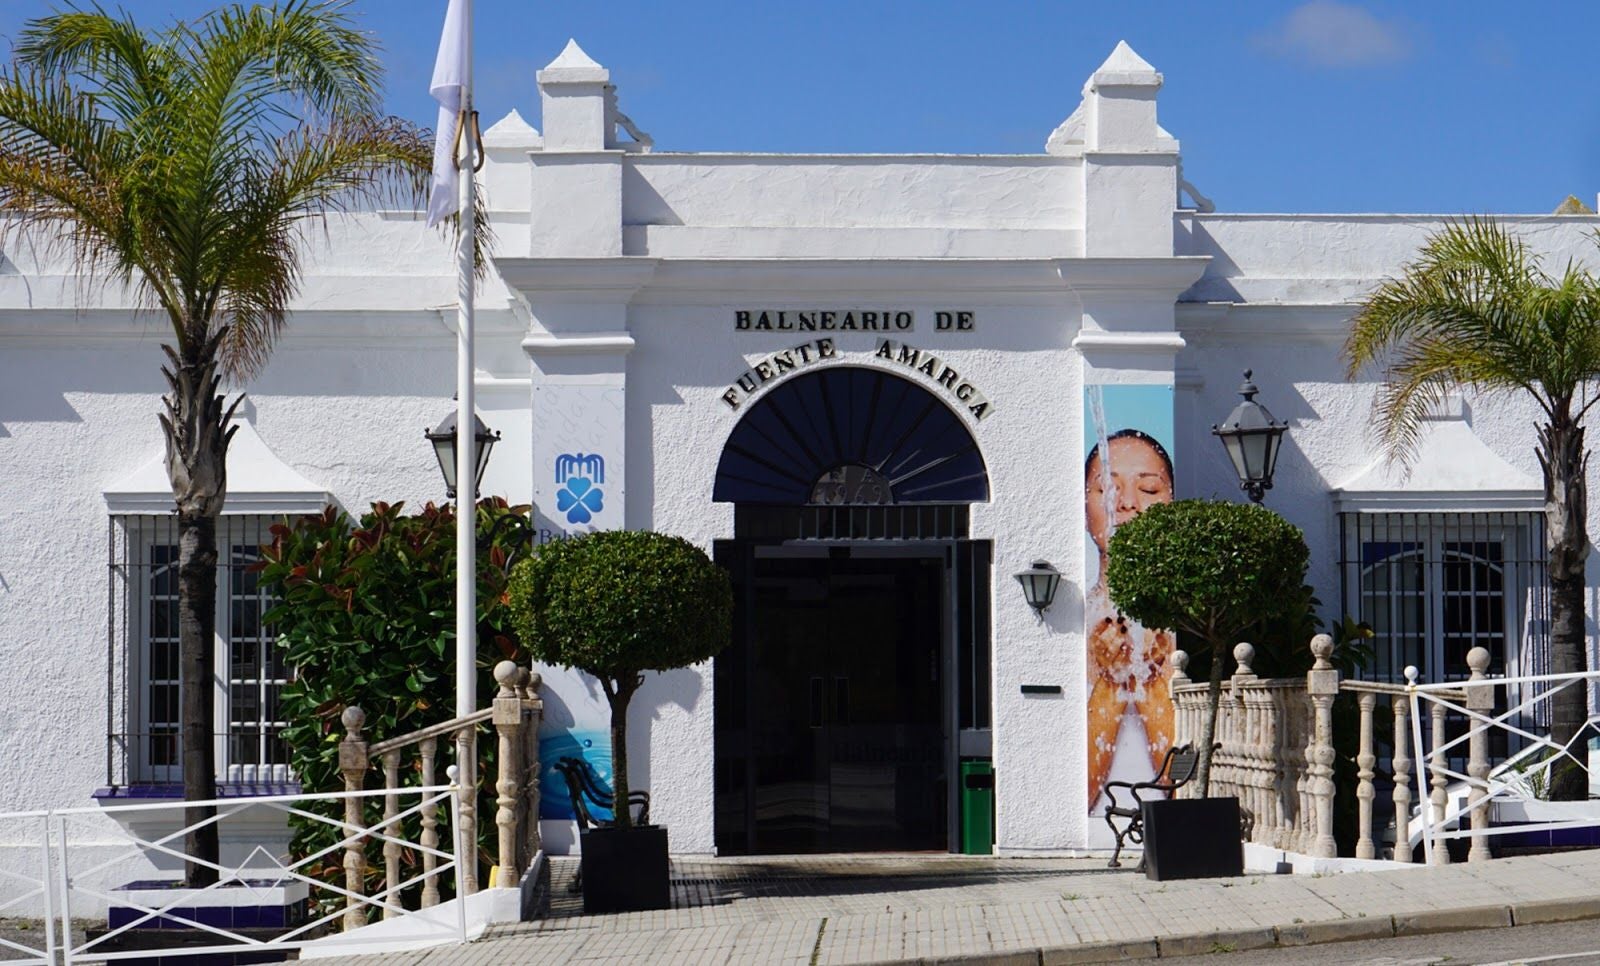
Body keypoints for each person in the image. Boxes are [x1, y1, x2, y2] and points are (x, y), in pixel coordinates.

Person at [1084, 429, 1176, 812]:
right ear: (1084, 503)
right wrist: (1110, 682)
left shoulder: (1188, 620)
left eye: (1149, 490)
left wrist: (1149, 682)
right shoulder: (1079, 618)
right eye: (1107, 488)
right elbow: (1075, 796)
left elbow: (1183, 784)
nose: (1126, 504)